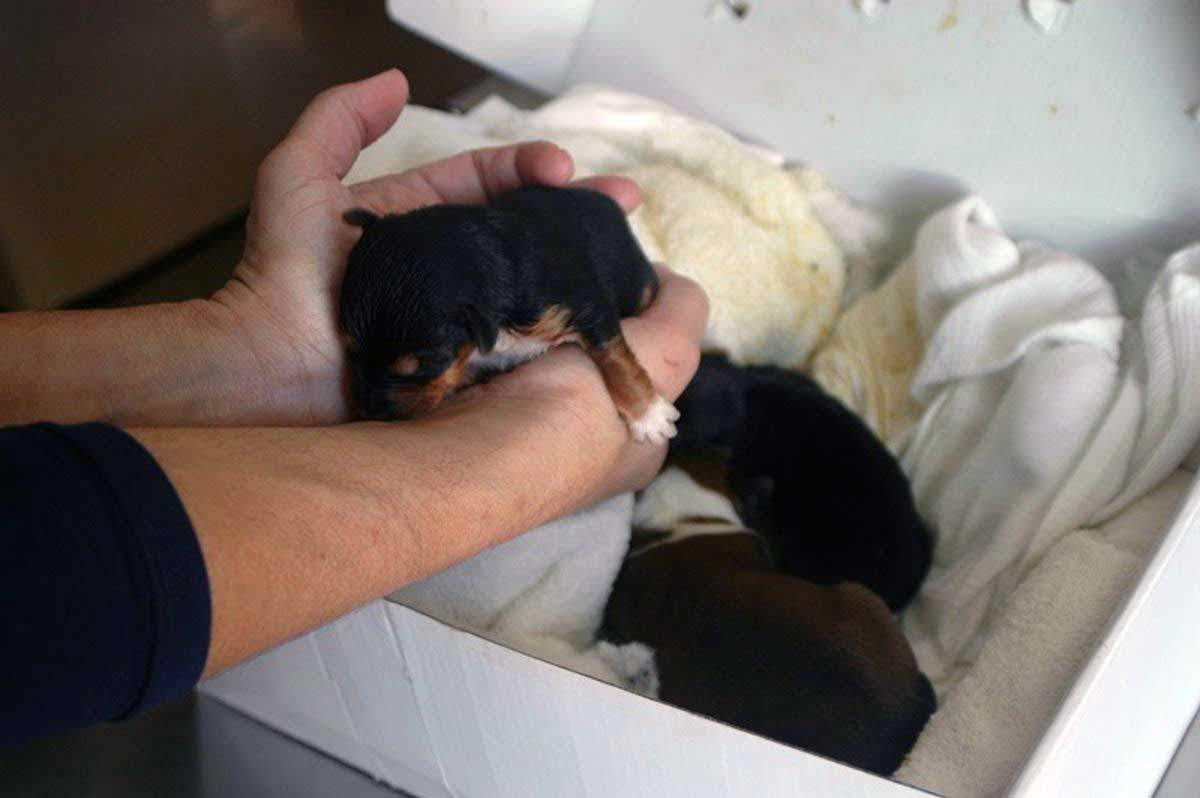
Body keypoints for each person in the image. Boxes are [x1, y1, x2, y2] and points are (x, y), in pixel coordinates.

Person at [0, 69, 708, 747]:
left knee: (637, 299)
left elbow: (600, 326)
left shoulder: (541, 296)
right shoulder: (430, 287)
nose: (370, 397)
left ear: (482, 324)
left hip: (588, 241)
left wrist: (636, 400)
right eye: (358, 353)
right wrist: (510, 459)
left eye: (413, 371)